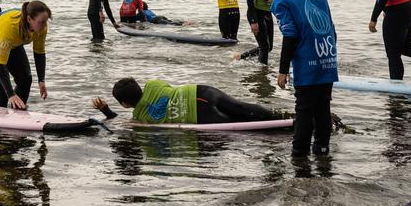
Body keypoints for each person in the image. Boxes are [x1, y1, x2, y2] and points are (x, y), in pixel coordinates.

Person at [258, 0, 338, 156]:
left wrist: (282, 70)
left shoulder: (281, 1)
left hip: (307, 63)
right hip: (327, 56)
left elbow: (290, 35)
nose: (269, 2)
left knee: (304, 109)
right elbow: (333, 31)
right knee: (323, 107)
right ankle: (322, 151)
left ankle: (299, 156)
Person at [91, 77, 285, 124]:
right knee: (242, 108)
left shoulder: (140, 117)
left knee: (237, 123)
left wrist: (106, 112)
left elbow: (120, 123)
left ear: (124, 104)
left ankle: (277, 127)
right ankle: (282, 119)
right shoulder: (153, 84)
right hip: (202, 91)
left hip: (198, 114)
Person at [0, 1, 51, 109]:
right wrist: (10, 94)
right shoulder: (11, 27)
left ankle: (17, 111)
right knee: (1, 87)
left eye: (46, 22)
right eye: (41, 22)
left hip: (12, 43)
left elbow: (39, 53)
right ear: (29, 19)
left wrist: (41, 80)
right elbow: (0, 65)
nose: (44, 26)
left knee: (25, 79)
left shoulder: (41, 28)